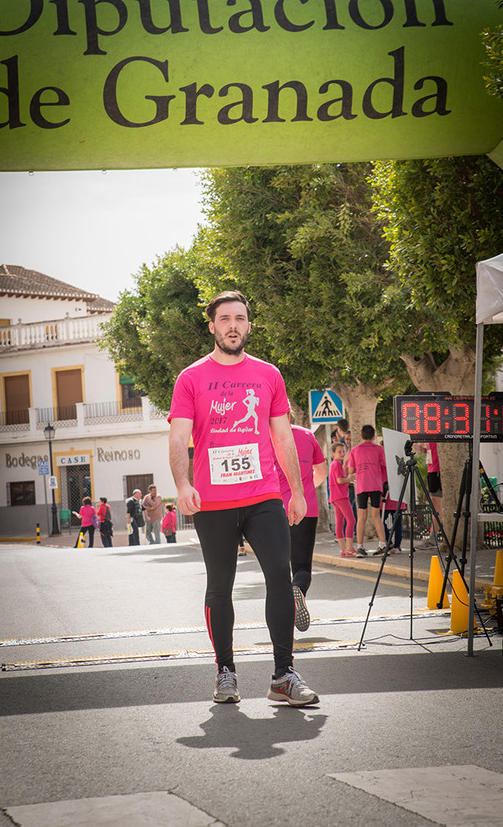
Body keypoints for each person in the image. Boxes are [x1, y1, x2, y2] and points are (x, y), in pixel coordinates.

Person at [168, 289, 319, 707]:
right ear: (212, 326)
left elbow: (283, 436)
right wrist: (183, 485)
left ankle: (283, 675)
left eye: (240, 318)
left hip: (264, 495)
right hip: (213, 503)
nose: (233, 325)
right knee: (221, 586)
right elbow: (179, 437)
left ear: (248, 325)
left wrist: (297, 491)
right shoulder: (191, 378)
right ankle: (226, 673)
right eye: (225, 319)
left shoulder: (268, 374)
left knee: (280, 577)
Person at [274, 419, 328, 630]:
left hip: (275, 509)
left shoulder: (264, 436)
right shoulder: (307, 435)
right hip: (307, 507)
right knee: (302, 566)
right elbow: (322, 472)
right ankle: (299, 589)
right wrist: (305, 490)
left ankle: (282, 616)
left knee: (277, 567)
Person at [347, 424, 388, 557]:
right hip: (376, 485)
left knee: (361, 517)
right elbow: (386, 464)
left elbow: (351, 470)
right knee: (376, 516)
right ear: (374, 436)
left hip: (362, 486)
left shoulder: (355, 450)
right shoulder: (379, 449)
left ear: (361, 436)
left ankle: (360, 547)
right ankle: (383, 544)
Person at [328, 442, 356, 558]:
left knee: (340, 522)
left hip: (335, 496)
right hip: (340, 496)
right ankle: (349, 548)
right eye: (339, 451)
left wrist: (347, 479)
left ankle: (343, 549)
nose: (342, 453)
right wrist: (349, 478)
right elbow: (340, 480)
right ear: (333, 453)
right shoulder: (337, 465)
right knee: (351, 520)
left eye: (343, 451)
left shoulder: (333, 465)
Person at [415, 442, 443, 549]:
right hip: (432, 469)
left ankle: (433, 538)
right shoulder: (429, 437)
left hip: (437, 470)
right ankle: (433, 538)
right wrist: (424, 449)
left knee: (437, 505)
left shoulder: (437, 433)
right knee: (434, 505)